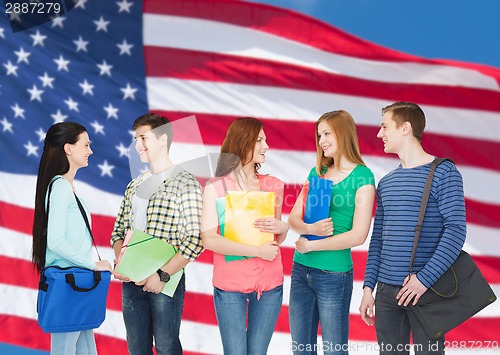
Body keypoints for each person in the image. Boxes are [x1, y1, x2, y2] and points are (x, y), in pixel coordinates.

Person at [359, 102, 467, 355]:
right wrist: (368, 288)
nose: (379, 133)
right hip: (386, 294)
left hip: (426, 291)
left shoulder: (444, 173)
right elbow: (378, 240)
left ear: (405, 128)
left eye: (385, 126)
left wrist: (424, 280)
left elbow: (455, 231)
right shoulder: (386, 183)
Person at [110, 113, 203, 355]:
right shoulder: (134, 185)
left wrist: (161, 276)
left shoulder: (185, 182)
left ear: (162, 139)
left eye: (143, 137)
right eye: (135, 139)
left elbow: (195, 239)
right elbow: (118, 231)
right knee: (136, 348)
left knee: (167, 347)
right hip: (132, 283)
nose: (138, 145)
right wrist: (124, 264)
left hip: (164, 281)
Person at [287, 110, 376, 355]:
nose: (321, 140)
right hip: (300, 270)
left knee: (334, 350)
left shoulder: (363, 177)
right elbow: (294, 218)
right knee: (301, 349)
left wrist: (312, 244)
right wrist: (309, 229)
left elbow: (358, 235)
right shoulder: (317, 172)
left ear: (343, 133)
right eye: (319, 135)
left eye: (327, 133)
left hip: (334, 275)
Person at [200, 117, 289, 355]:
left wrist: (284, 228)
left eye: (266, 140)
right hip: (230, 286)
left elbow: (276, 238)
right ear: (243, 143)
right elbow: (209, 239)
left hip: (270, 284)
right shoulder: (215, 187)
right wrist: (256, 251)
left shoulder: (273, 185)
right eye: (260, 140)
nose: (266, 146)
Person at [32, 122, 113, 355]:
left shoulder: (66, 187)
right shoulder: (60, 187)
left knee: (87, 351)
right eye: (86, 145)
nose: (90, 151)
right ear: (68, 148)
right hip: (70, 284)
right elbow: (55, 241)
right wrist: (92, 264)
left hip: (75, 285)